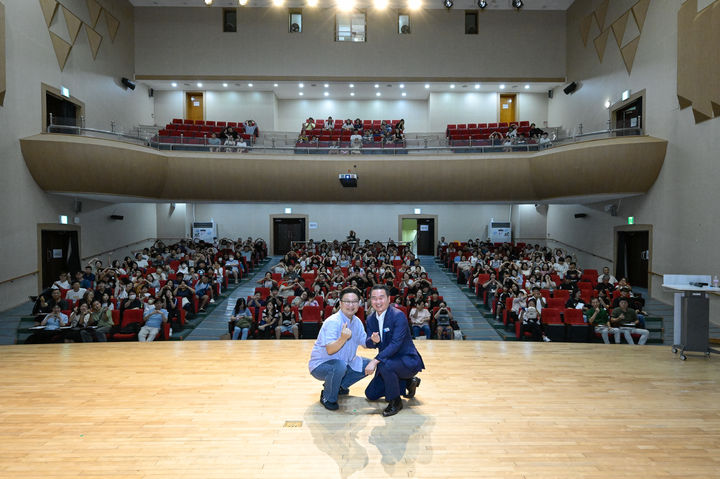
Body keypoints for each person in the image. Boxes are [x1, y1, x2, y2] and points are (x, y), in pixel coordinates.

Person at [364, 284, 425, 417]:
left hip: (406, 361)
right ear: (370, 301)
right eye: (374, 298)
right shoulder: (370, 319)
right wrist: (373, 341)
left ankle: (395, 401)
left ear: (388, 299)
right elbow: (369, 343)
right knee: (371, 394)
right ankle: (408, 382)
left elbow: (396, 344)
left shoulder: (398, 316)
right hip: (388, 361)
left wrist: (375, 361)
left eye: (381, 298)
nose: (377, 302)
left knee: (385, 365)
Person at [308, 287, 371, 411]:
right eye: (347, 301)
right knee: (339, 366)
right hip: (321, 365)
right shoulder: (333, 322)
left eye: (354, 301)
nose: (350, 305)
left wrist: (374, 340)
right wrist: (342, 338)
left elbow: (364, 342)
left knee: (369, 365)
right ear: (340, 303)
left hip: (344, 363)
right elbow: (330, 350)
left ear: (359, 304)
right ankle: (328, 397)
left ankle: (339, 385)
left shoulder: (357, 321)